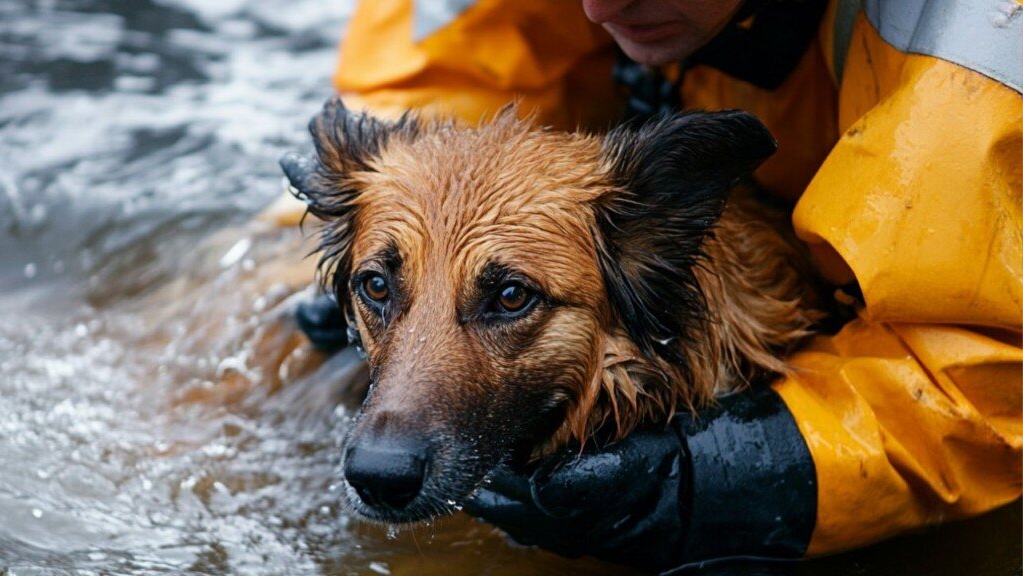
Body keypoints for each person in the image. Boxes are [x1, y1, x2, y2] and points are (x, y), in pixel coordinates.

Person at [280, 0, 1022, 572]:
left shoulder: (983, 41)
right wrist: (337, 256)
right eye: (378, 289)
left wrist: (731, 477)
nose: (597, 7)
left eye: (509, 299)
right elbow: (435, 79)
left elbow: (989, 367)